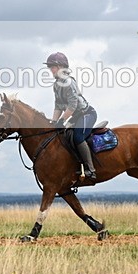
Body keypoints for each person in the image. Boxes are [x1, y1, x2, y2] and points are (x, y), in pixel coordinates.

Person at [44, 52, 98, 181]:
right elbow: (57, 106)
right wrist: (54, 122)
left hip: (86, 114)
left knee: (78, 136)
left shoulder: (68, 82)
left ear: (62, 67)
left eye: (53, 67)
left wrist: (62, 120)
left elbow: (72, 106)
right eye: (50, 67)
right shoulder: (56, 85)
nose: (51, 70)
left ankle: (91, 169)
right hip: (75, 116)